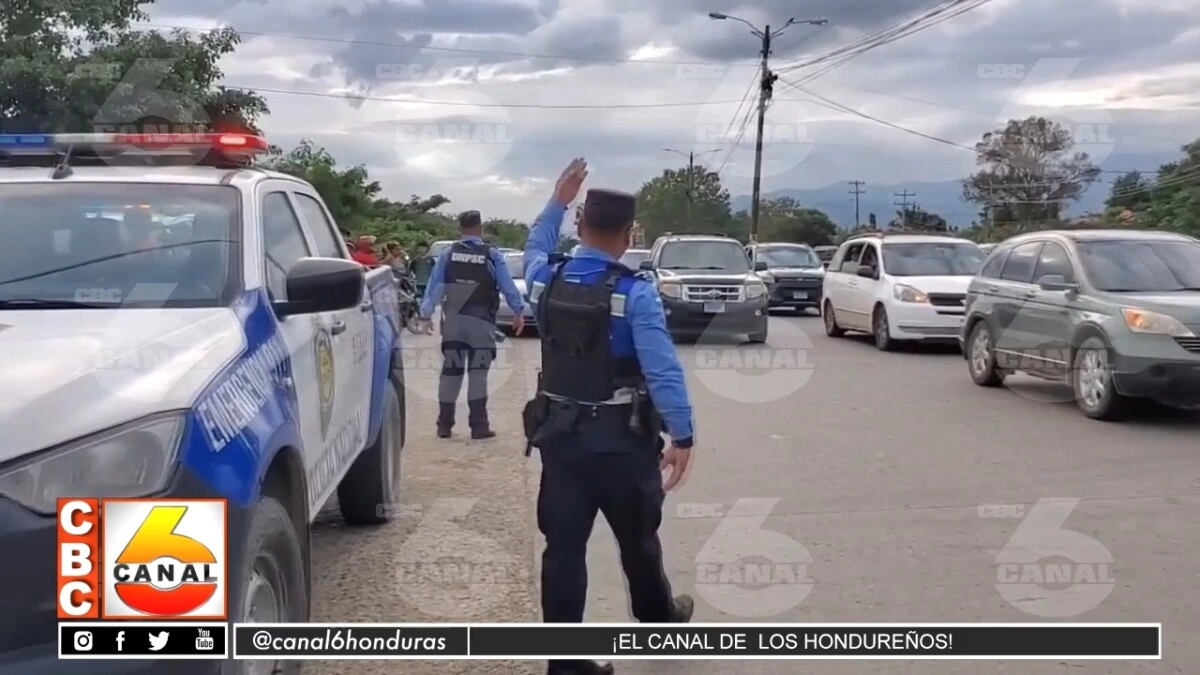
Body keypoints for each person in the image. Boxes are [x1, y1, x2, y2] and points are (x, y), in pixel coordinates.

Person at [522, 159, 695, 675]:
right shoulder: (634, 292)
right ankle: (659, 626)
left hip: (561, 439)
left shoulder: (543, 281)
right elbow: (663, 372)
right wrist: (682, 434)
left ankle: (566, 665)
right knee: (639, 542)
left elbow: (534, 245)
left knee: (563, 551)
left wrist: (558, 197)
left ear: (580, 227)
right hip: (623, 443)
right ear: (627, 234)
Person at [419, 210, 525, 439]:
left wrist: (426, 315)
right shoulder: (492, 255)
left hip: (455, 321)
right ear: (480, 228)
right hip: (481, 322)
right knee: (478, 374)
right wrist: (518, 311)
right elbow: (507, 286)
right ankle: (479, 426)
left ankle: (444, 425)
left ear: (459, 229)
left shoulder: (448, 254)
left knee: (450, 373)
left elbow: (436, 285)